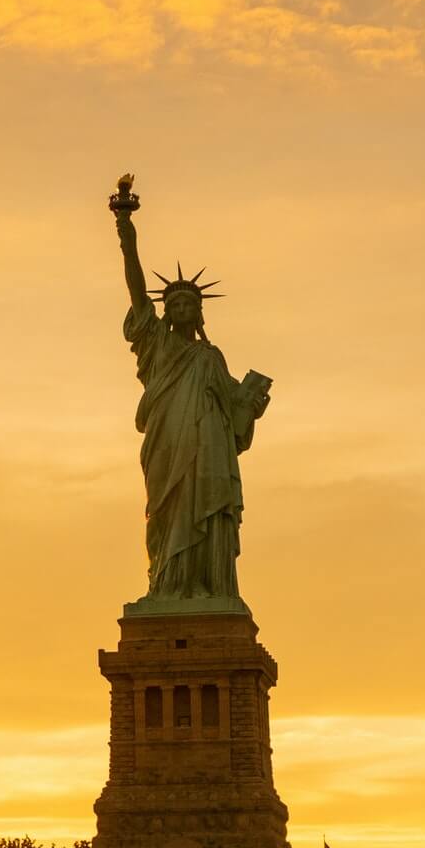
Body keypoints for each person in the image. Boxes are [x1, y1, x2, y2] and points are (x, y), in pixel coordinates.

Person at [112, 175, 271, 605]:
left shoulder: (210, 358)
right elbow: (134, 284)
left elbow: (235, 417)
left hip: (209, 455)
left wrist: (251, 403)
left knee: (208, 511)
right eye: (174, 304)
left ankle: (207, 587)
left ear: (199, 313)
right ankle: (167, 584)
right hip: (167, 447)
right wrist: (126, 230)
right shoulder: (156, 343)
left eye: (189, 304)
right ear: (165, 311)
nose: (181, 308)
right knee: (167, 515)